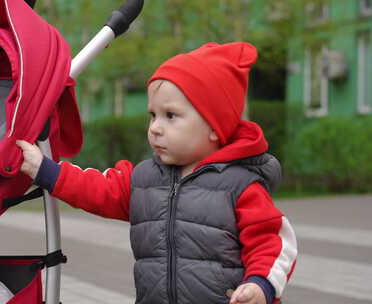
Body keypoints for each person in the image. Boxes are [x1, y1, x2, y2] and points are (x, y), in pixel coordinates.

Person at [16, 42, 297, 304]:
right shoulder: (145, 179)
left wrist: (261, 285)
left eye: (170, 115)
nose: (155, 127)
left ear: (214, 126)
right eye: (153, 115)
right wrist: (47, 171)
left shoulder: (239, 186)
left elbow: (272, 242)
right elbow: (98, 189)